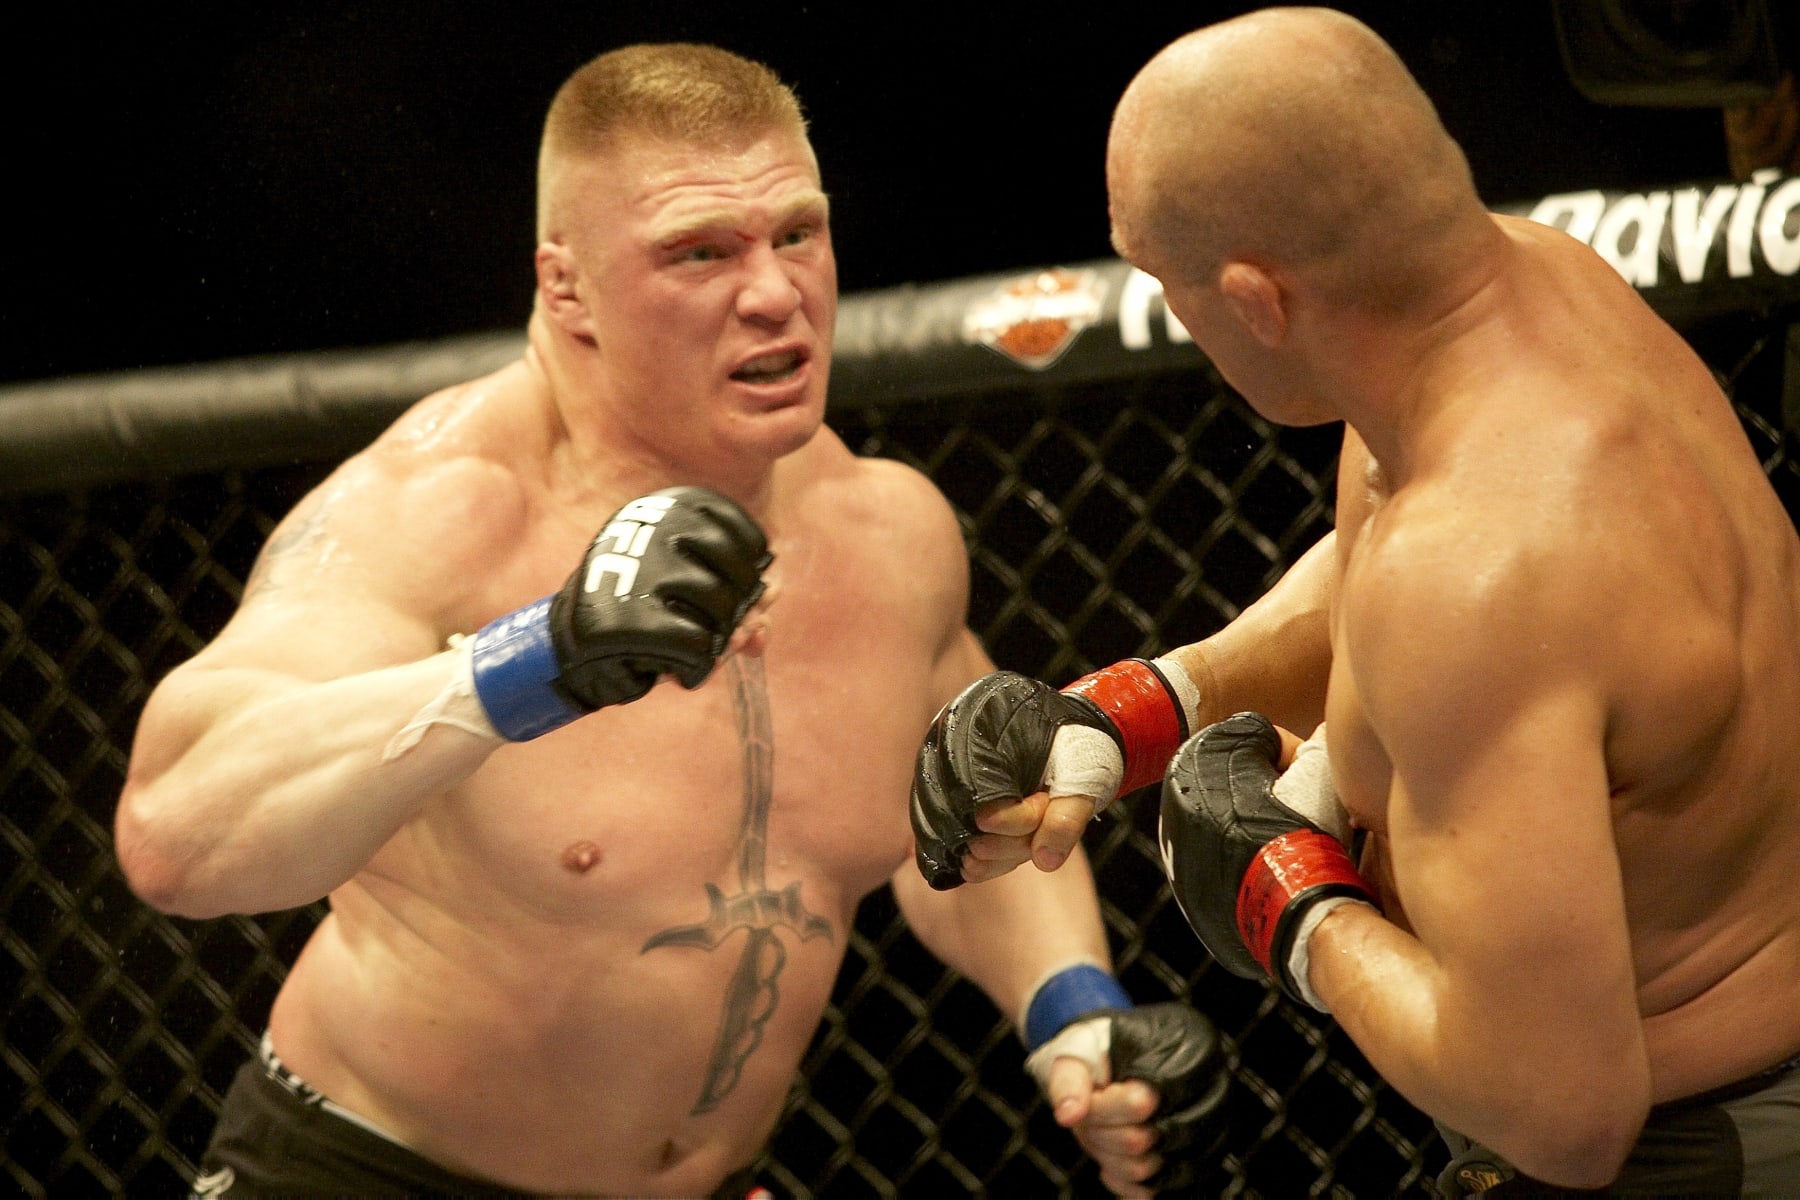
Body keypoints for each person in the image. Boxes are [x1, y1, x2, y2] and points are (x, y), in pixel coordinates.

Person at [112, 42, 1228, 1199]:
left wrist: (1073, 1009)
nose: (773, 292)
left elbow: (967, 809)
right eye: (700, 252)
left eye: (797, 232)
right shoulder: (438, 514)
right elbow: (173, 830)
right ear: (565, 287)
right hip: (369, 1172)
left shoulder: (889, 536)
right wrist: (523, 663)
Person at [910, 7, 1800, 1194]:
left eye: (1172, 287)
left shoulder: (1475, 576)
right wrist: (1139, 708)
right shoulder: (1529, 301)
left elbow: (1564, 1114)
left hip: (1681, 1155)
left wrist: (1291, 910)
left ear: (1257, 297)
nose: (1180, 323)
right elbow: (1376, 565)